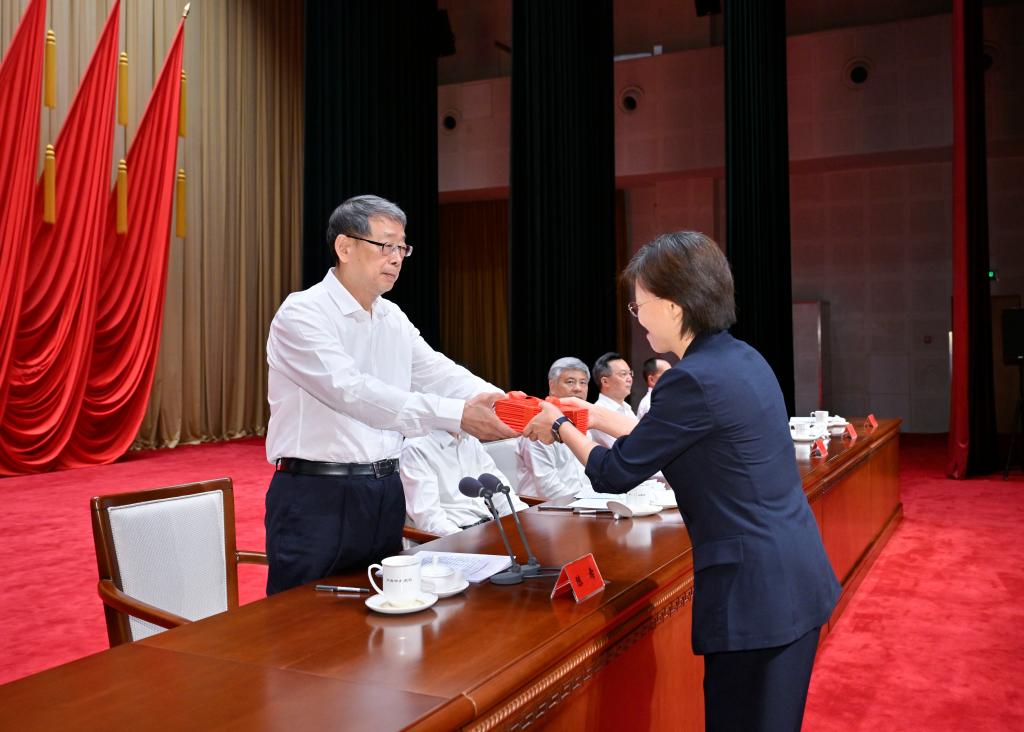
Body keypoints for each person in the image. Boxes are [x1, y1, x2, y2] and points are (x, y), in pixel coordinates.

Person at [523, 231, 840, 731]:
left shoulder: (689, 380)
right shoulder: (742, 358)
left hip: (753, 596)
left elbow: (613, 473)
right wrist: (592, 417)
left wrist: (559, 426)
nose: (637, 316)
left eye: (639, 305)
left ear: (673, 306)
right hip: (795, 575)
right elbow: (675, 436)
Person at [264, 195, 515, 594]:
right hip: (317, 493)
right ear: (344, 247)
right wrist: (457, 414)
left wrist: (508, 405)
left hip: (384, 489)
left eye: (402, 247)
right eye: (385, 245)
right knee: (303, 618)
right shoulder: (303, 313)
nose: (396, 258)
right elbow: (352, 392)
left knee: (383, 607)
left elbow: (437, 371)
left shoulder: (391, 316)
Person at [400, 430, 528, 536]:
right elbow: (430, 520)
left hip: (488, 528)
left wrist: (524, 518)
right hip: (452, 537)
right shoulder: (417, 445)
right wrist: (463, 540)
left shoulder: (470, 438)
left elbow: (500, 491)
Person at [515, 357, 593, 500]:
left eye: (583, 382)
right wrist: (583, 504)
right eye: (570, 382)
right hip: (543, 507)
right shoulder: (539, 424)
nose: (578, 388)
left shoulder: (584, 422)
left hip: (582, 502)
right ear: (552, 386)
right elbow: (547, 487)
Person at [588, 352, 635, 448]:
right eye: (623, 374)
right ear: (605, 381)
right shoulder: (598, 412)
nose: (629, 378)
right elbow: (621, 448)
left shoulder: (627, 407)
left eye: (630, 373)